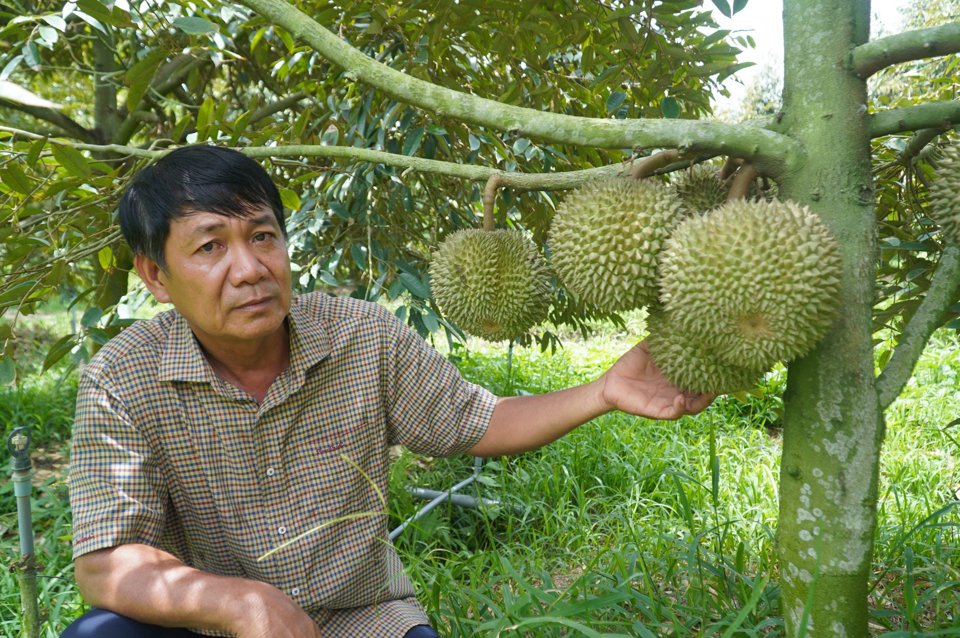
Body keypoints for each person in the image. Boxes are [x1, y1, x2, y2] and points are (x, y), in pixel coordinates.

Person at [63, 145, 713, 638]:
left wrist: (603, 389)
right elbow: (105, 562)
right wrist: (237, 600)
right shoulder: (122, 379)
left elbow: (477, 422)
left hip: (365, 619)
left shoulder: (363, 337)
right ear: (156, 276)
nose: (250, 268)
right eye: (211, 246)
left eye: (263, 236)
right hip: (206, 625)